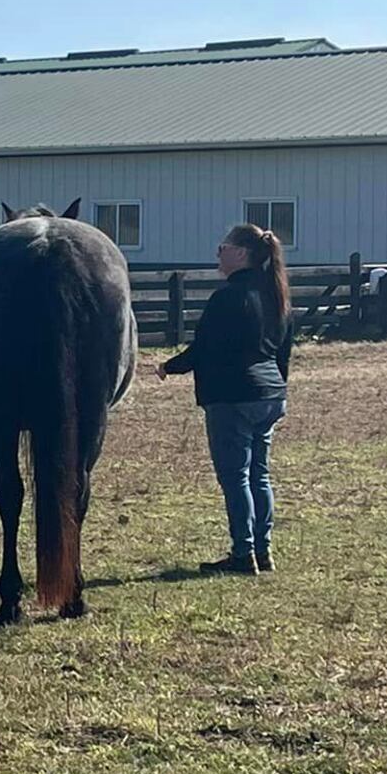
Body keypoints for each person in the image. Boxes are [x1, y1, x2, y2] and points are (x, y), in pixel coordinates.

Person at [157, 223, 293, 576]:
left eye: (224, 247)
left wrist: (169, 367)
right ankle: (263, 550)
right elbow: (284, 352)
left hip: (232, 397)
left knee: (235, 478)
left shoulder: (227, 297)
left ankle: (242, 553)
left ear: (242, 253)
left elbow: (203, 348)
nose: (218, 253)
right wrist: (278, 387)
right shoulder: (276, 295)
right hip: (269, 394)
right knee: (259, 475)